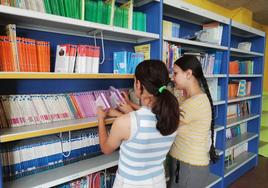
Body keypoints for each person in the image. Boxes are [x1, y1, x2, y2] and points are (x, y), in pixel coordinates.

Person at [97, 60, 180, 188]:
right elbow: (148, 119)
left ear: (138, 84)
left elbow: (106, 149)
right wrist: (130, 105)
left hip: (130, 184)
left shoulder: (125, 122)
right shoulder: (173, 116)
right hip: (158, 182)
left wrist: (101, 119)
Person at [168, 55, 219, 188]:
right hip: (186, 166)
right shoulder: (190, 99)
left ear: (189, 73)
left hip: (188, 167)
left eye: (175, 73)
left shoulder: (194, 103)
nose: (172, 78)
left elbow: (165, 123)